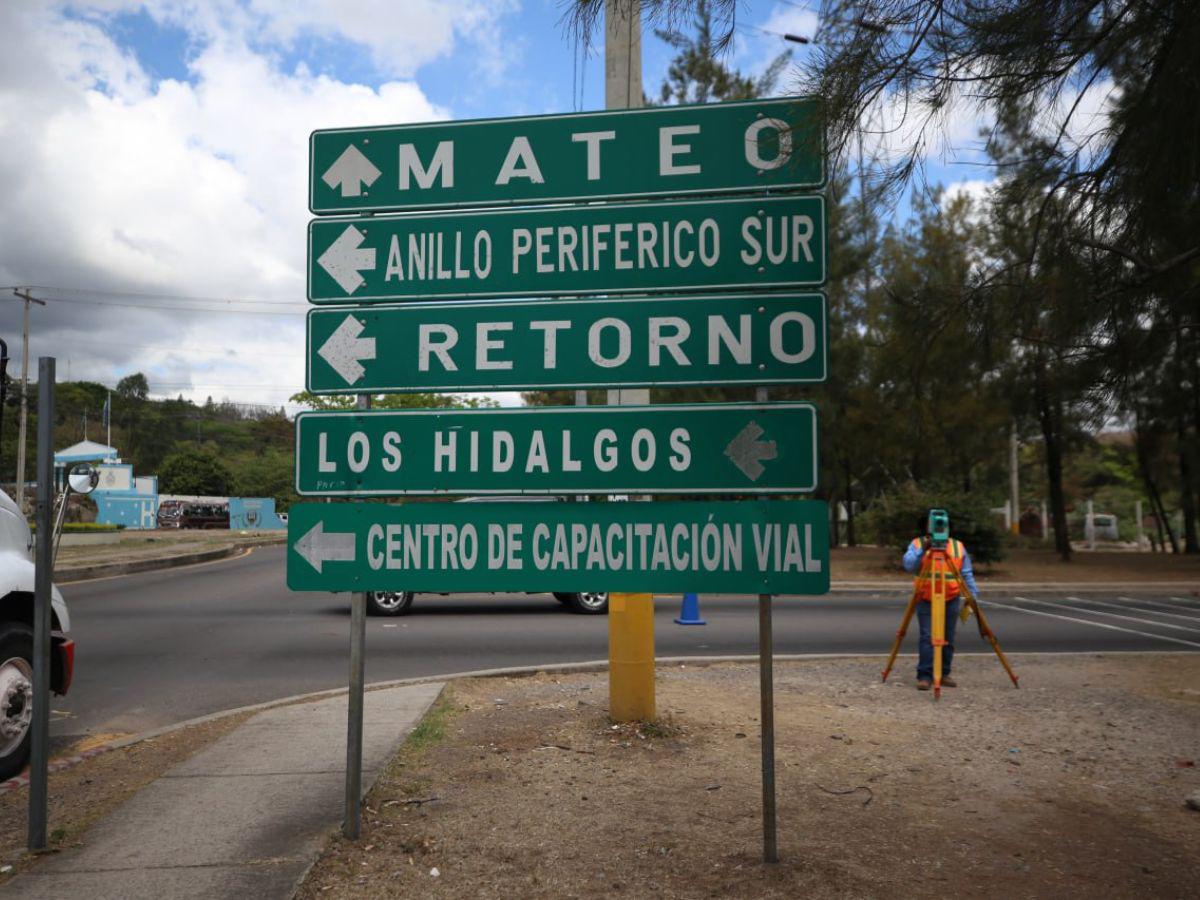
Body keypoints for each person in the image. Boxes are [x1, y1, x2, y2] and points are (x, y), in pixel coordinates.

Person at [902, 514, 981, 690]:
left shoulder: (957, 546)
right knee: (927, 637)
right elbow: (908, 565)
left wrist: (973, 595)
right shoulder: (917, 544)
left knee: (948, 637)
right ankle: (925, 676)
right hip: (925, 596)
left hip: (951, 596)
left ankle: (944, 673)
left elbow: (966, 572)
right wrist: (924, 548)